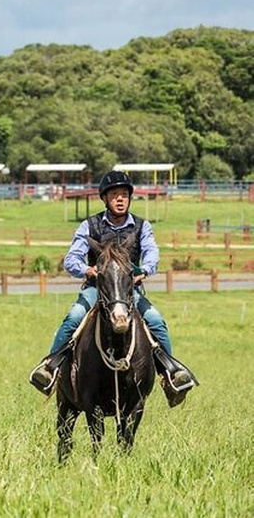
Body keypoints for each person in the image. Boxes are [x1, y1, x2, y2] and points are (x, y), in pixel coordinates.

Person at [29, 171, 197, 406]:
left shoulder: (141, 226)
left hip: (128, 291)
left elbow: (152, 254)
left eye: (124, 195)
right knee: (74, 317)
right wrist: (88, 271)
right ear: (105, 198)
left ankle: (170, 375)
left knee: (156, 321)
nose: (120, 199)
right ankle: (50, 369)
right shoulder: (90, 225)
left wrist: (144, 271)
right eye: (115, 195)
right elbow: (71, 259)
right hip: (96, 288)